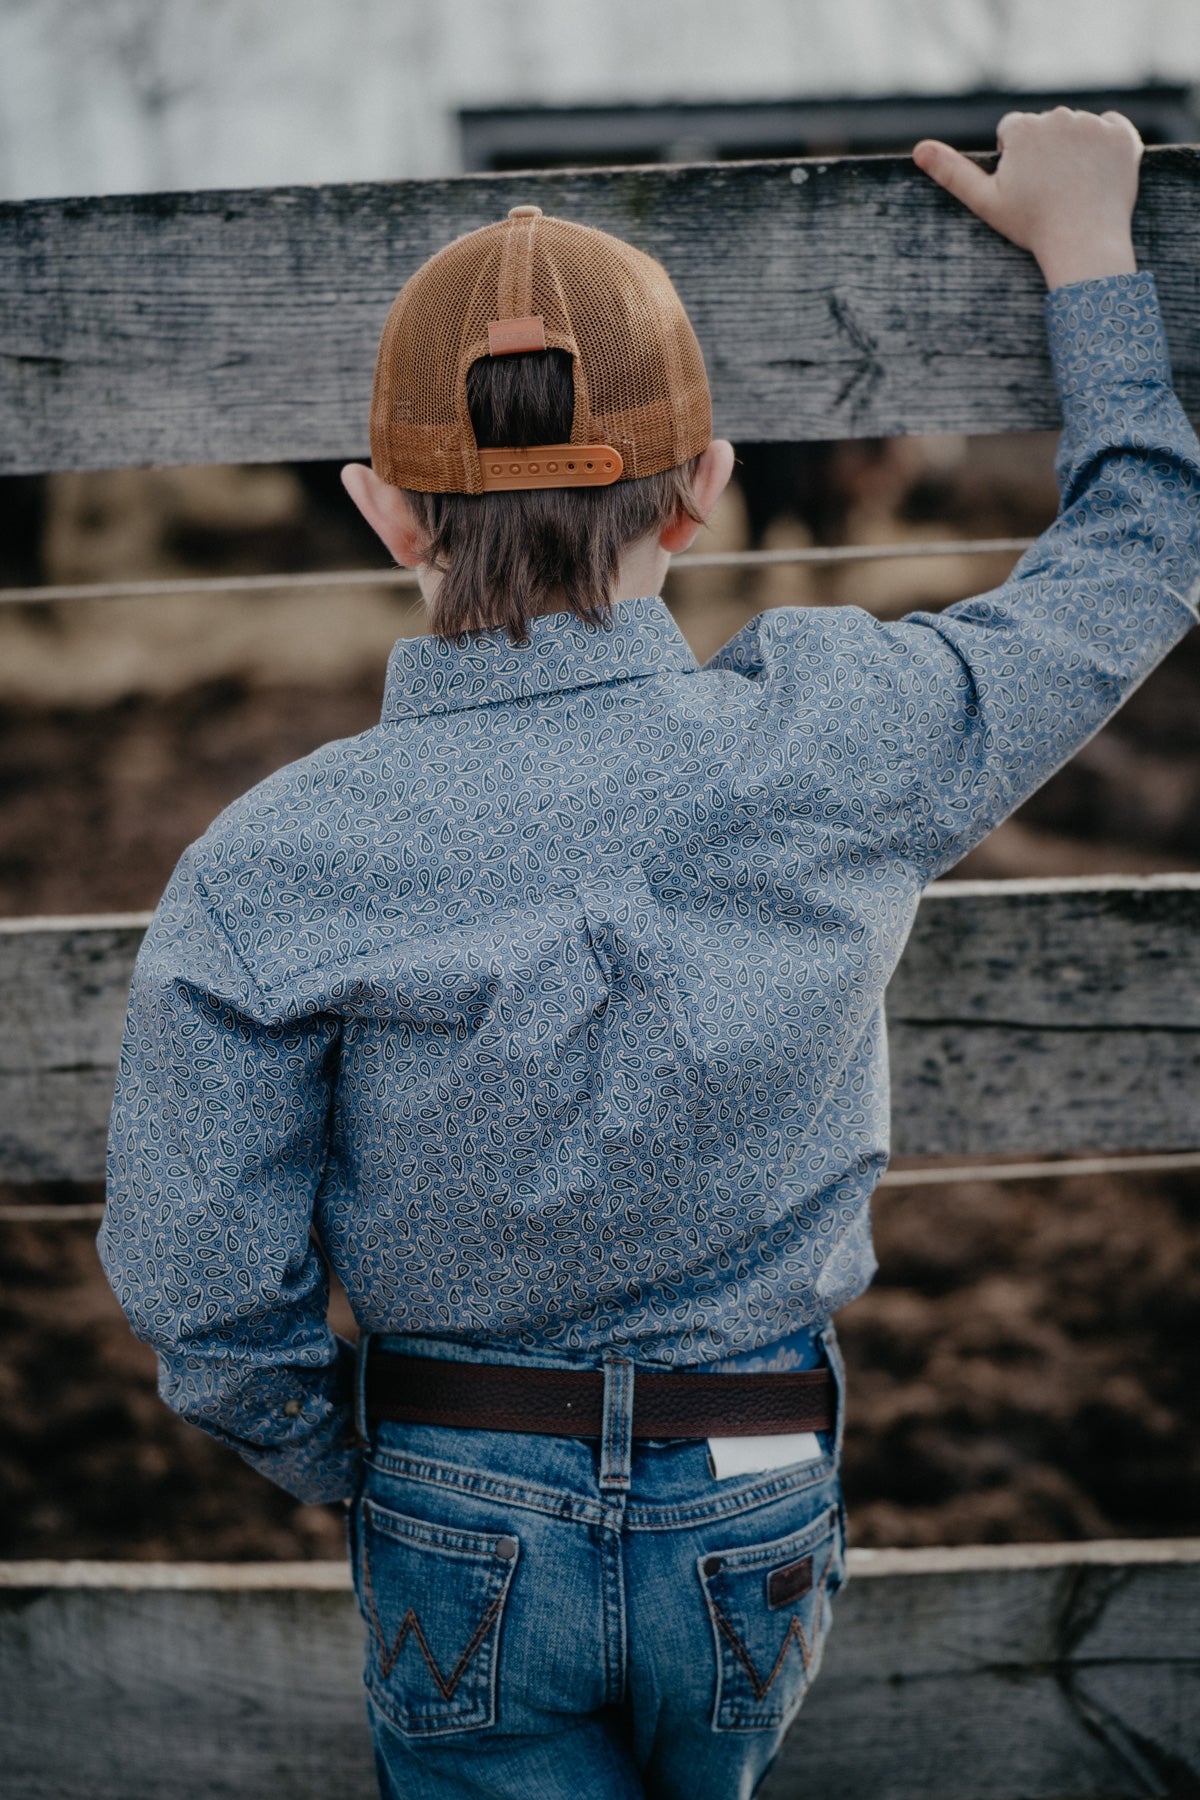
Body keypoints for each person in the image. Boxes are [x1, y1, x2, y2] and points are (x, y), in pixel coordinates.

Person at [99, 107, 1198, 1800]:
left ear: (386, 513)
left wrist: (364, 1457)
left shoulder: (276, 858)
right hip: (751, 1481)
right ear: (706, 485)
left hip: (453, 1490)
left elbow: (200, 1285)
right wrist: (1090, 257)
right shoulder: (843, 737)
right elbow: (1138, 561)